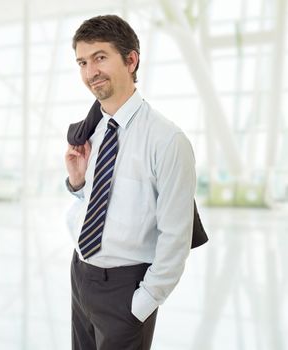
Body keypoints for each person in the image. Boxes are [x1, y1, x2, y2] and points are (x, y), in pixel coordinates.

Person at [64, 14, 197, 350]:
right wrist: (78, 183)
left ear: (131, 59)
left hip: (127, 288)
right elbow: (98, 205)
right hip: (82, 276)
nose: (90, 71)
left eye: (100, 58)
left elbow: (176, 237)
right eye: (82, 62)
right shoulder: (92, 132)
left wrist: (142, 304)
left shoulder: (167, 140)